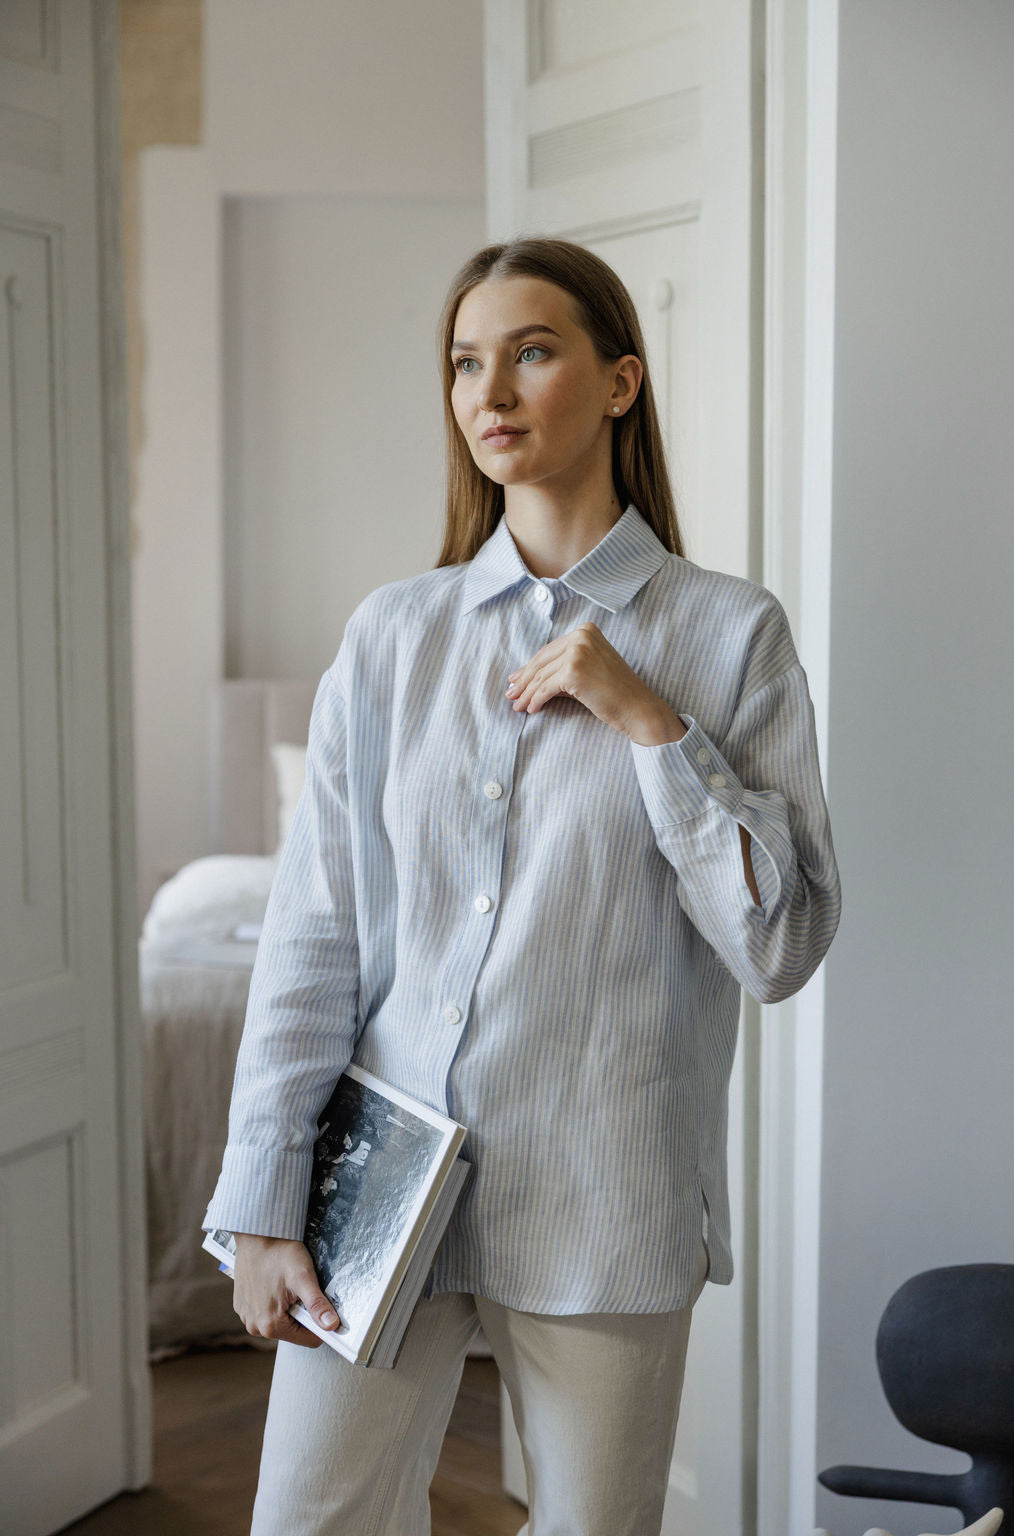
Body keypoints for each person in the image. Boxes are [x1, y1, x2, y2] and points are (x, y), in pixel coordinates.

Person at [203, 235, 841, 1536]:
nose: (489, 391)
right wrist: (263, 1202)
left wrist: (651, 723)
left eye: (531, 352)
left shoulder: (732, 634)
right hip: (380, 1184)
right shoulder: (393, 636)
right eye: (464, 363)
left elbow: (779, 944)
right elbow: (313, 937)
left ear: (619, 382)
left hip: (609, 1190)